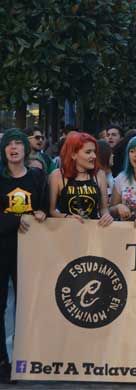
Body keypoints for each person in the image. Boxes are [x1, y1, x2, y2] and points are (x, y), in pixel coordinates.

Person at [0, 129, 48, 382]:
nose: (14, 147)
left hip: (32, 252)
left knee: (28, 305)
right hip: (4, 250)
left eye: (19, 142)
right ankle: (4, 361)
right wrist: (17, 218)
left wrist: (41, 212)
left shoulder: (38, 177)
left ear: (26, 149)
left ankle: (27, 357)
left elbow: (47, 207)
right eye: (10, 143)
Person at [48, 132, 114, 227]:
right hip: (65, 232)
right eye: (88, 152)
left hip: (93, 231)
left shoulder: (99, 175)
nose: (94, 156)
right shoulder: (57, 175)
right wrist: (67, 217)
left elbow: (103, 208)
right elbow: (51, 211)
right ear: (73, 155)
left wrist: (106, 216)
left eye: (94, 152)